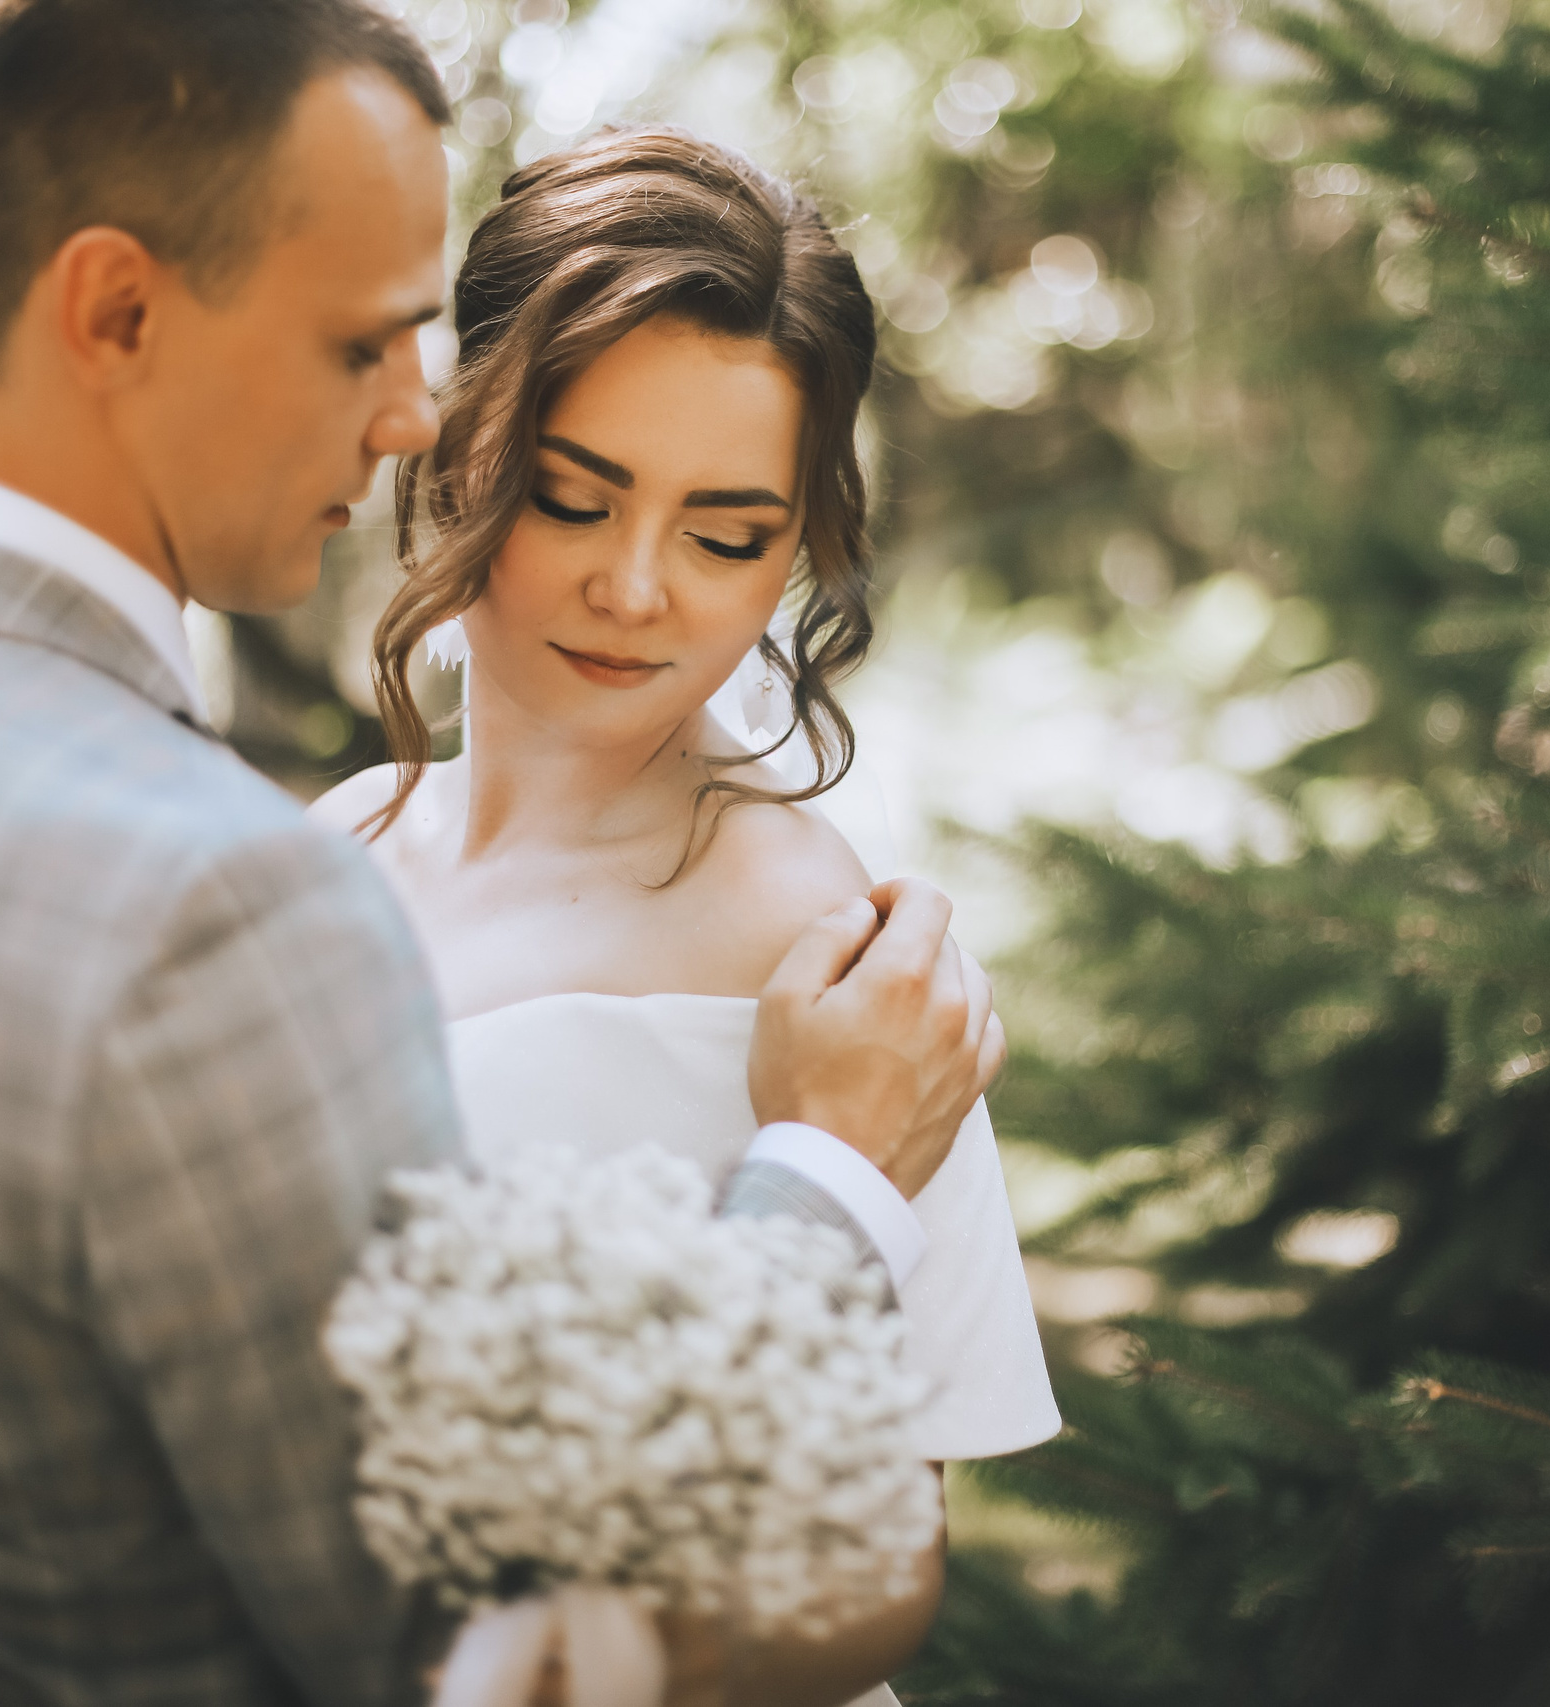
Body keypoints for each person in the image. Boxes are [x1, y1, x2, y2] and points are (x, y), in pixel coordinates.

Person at [0, 6, 1001, 1704]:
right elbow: (483, 1655)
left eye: (730, 530)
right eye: (360, 345)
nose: (407, 414)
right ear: (115, 311)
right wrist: (827, 1186)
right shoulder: (246, 905)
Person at [311, 129, 1061, 1707]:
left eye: (727, 536)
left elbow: (870, 1575)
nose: (639, 591)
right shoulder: (327, 859)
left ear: (797, 545)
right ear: (458, 448)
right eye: (575, 500)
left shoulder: (823, 953)